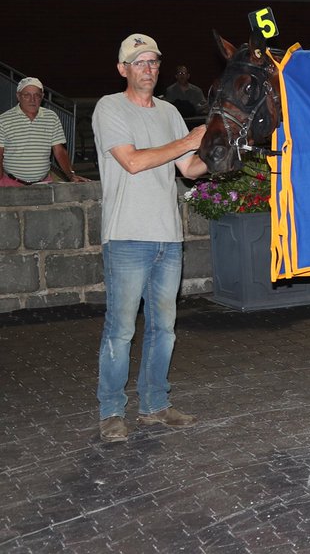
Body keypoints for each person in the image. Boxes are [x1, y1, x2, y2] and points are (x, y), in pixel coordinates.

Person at [93, 33, 209, 443]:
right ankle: (111, 411)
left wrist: (226, 142)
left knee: (165, 327)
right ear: (123, 69)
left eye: (154, 62)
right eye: (139, 62)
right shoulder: (110, 107)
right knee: (121, 329)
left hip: (167, 237)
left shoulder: (170, 113)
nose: (149, 69)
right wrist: (189, 140)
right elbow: (134, 161)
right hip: (126, 236)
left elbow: (190, 168)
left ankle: (155, 405)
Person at [0, 77, 87, 186]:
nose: (32, 100)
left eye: (36, 95)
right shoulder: (4, 120)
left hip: (44, 183)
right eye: (27, 95)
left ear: (42, 97)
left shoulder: (51, 117)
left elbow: (59, 151)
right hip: (11, 183)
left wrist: (71, 175)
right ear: (18, 96)